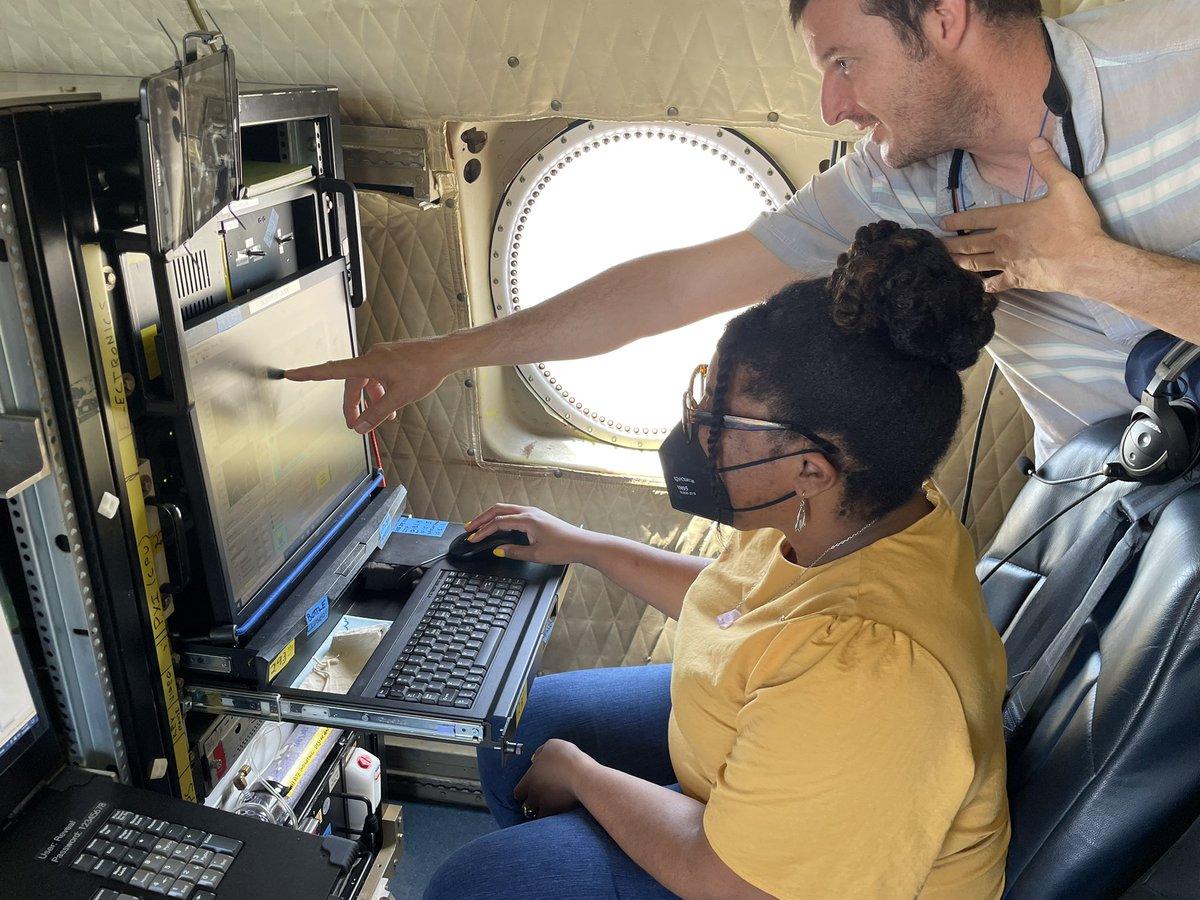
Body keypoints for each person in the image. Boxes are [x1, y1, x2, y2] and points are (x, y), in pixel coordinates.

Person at [288, 0, 1200, 464]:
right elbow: (675, 288)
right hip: (1110, 503)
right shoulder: (898, 178)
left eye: (846, 62)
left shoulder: (1180, 50)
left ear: (945, 16)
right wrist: (449, 353)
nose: (833, 106)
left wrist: (1090, 267)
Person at [420, 222, 1009, 899]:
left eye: (722, 422)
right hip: (765, 767)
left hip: (772, 879)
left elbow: (734, 884)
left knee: (477, 884)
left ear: (811, 468)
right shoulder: (850, 504)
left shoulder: (873, 675)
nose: (698, 430)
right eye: (706, 392)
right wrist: (584, 544)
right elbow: (744, 601)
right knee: (518, 726)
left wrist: (581, 772)